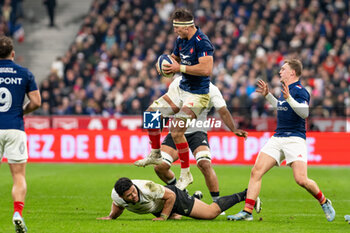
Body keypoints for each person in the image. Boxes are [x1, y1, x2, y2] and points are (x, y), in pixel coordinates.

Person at [227, 59, 336, 222]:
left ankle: (324, 201)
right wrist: (267, 96)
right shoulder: (285, 90)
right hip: (278, 137)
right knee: (256, 171)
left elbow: (304, 113)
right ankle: (247, 212)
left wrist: (289, 98)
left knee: (301, 180)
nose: (280, 71)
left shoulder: (300, 90)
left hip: (295, 139)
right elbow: (281, 107)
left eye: (283, 69)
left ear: (292, 72)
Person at [135, 8, 215, 190]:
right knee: (151, 114)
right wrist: (164, 63)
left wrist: (180, 68)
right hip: (181, 90)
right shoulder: (181, 40)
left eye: (176, 28)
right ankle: (155, 153)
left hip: (198, 94)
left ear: (186, 27)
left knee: (176, 129)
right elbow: (174, 59)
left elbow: (206, 70)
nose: (174, 31)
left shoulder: (203, 42)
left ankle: (186, 174)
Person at [152, 77, 247, 199]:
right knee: (160, 167)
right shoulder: (177, 82)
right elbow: (167, 107)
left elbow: (223, 111)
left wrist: (234, 129)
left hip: (197, 132)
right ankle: (183, 193)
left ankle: (216, 203)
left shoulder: (212, 89)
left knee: (204, 164)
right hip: (176, 132)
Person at [0, 36, 41, 232]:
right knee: (18, 176)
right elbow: (36, 102)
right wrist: (21, 111)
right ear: (13, 54)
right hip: (15, 127)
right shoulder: (24, 73)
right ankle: (17, 212)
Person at [97, 177, 261, 221]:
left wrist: (162, 217)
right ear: (121, 196)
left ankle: (245, 194)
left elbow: (171, 196)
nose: (133, 196)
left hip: (173, 198)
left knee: (211, 214)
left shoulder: (148, 187)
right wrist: (111, 217)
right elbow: (118, 205)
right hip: (158, 206)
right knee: (178, 218)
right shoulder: (116, 196)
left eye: (133, 192)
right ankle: (196, 198)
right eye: (129, 196)